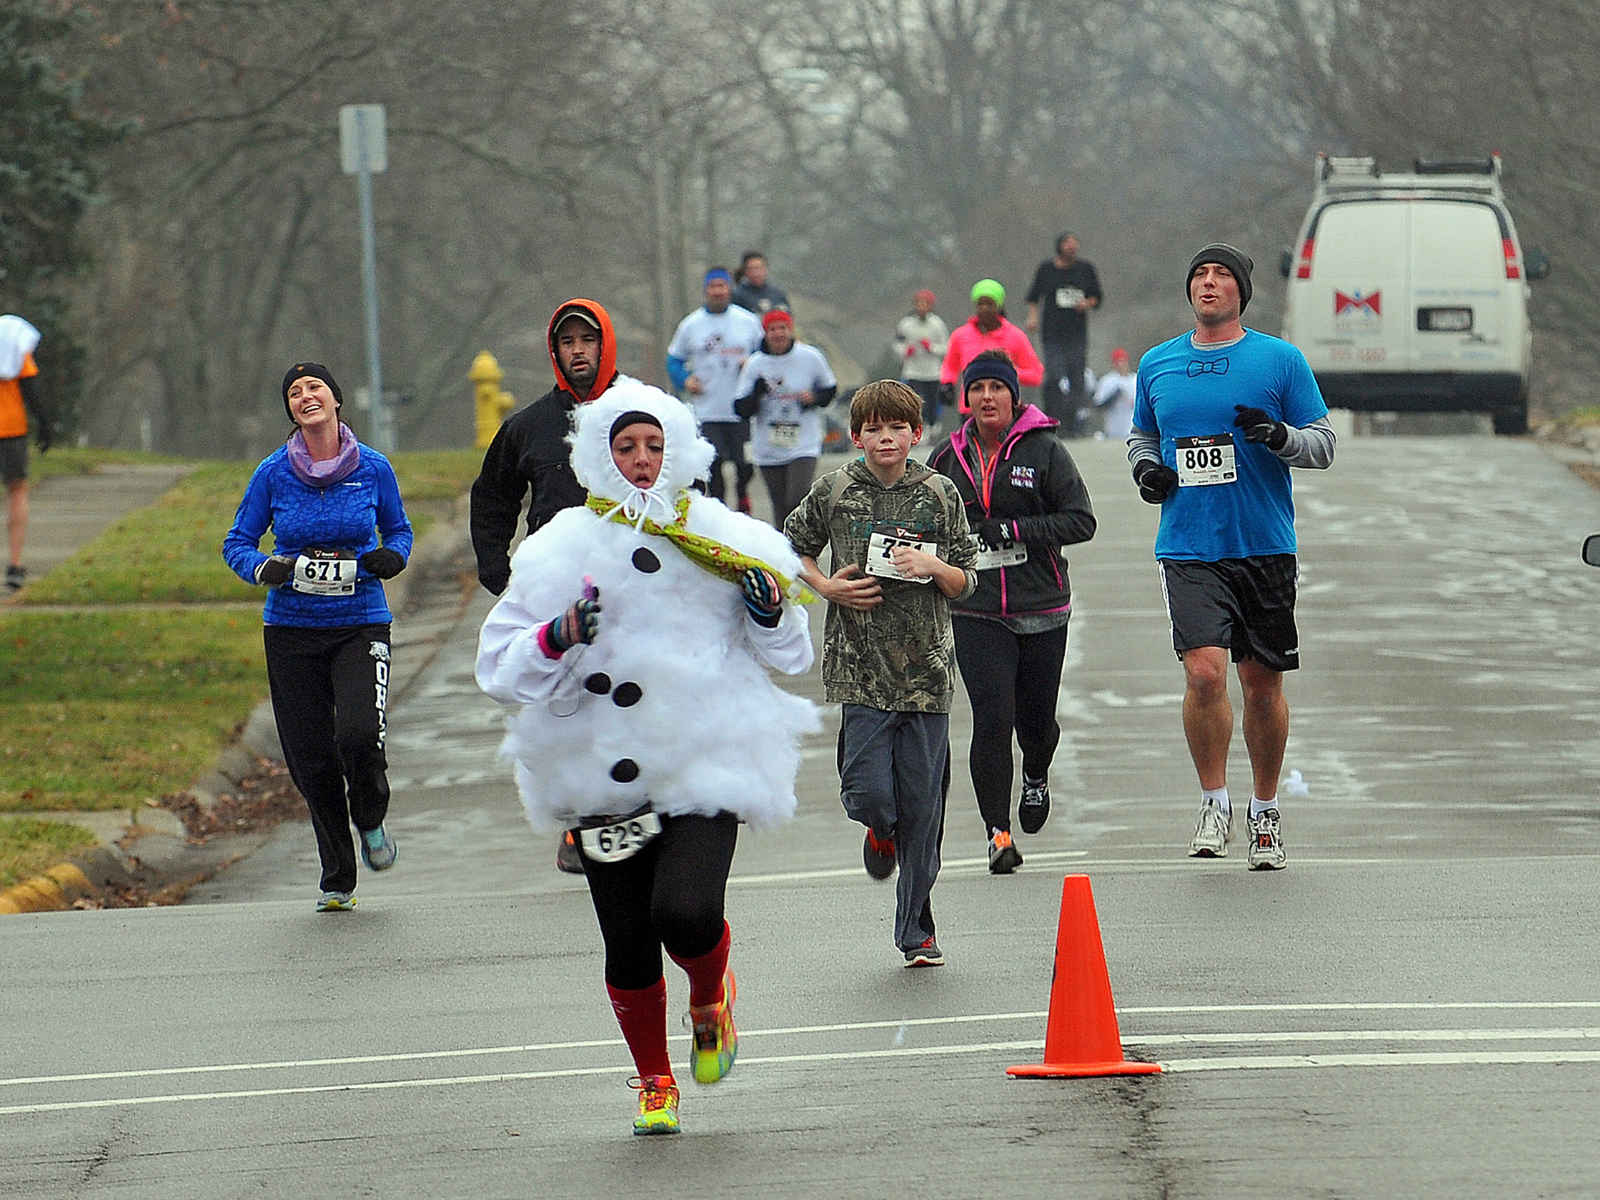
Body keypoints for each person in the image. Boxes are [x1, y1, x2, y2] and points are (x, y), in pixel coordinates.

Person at [475, 380, 816, 1137]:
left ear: (678, 452)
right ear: (599, 454)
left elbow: (791, 654)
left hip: (702, 760)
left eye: (653, 446)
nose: (639, 460)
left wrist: (765, 611)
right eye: (625, 447)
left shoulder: (725, 537)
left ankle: (709, 992)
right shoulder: (560, 546)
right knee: (627, 943)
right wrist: (557, 634)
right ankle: (655, 1081)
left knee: (685, 914)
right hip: (599, 769)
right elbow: (497, 668)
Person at [1128, 243, 1335, 871]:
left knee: (1261, 684)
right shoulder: (1158, 364)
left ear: (1242, 291)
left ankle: (1265, 812)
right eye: (1199, 275)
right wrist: (1147, 472)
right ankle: (1213, 802)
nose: (1209, 284)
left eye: (1221, 276)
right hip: (1189, 545)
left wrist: (1280, 438)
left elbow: (1323, 444)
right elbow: (1143, 434)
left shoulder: (1280, 360)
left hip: (1264, 543)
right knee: (1205, 674)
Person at [784, 380, 978, 968]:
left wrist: (932, 565)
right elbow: (790, 547)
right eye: (873, 428)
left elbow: (969, 577)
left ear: (916, 433)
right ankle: (877, 831)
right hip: (859, 671)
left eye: (896, 428)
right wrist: (824, 586)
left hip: (927, 673)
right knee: (868, 791)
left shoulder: (940, 493)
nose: (884, 438)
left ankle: (916, 929)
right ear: (856, 434)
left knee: (924, 808)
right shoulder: (835, 490)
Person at [223, 363, 413, 911]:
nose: (305, 396)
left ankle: (371, 820)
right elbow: (237, 542)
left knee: (358, 734)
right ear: (292, 411)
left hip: (360, 623)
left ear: (334, 400)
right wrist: (264, 569)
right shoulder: (272, 473)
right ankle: (338, 875)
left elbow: (398, 529)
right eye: (294, 392)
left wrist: (391, 556)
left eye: (315, 387)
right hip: (291, 630)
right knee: (311, 758)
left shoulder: (373, 468)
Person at [926, 350, 1096, 873]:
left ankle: (1038, 773)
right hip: (975, 608)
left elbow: (1081, 521)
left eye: (996, 388)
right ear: (966, 399)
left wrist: (1017, 529)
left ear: (1013, 396)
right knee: (992, 719)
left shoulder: (1044, 450)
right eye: (977, 389)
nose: (986, 398)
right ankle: (997, 834)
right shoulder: (947, 457)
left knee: (1035, 723)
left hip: (1040, 604)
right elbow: (923, 519)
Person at [470, 298, 623, 874]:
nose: (578, 351)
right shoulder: (528, 426)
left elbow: (692, 479)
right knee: (566, 705)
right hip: (557, 585)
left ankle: (642, 805)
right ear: (555, 353)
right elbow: (492, 496)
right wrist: (496, 563)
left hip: (632, 579)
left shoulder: (642, 411)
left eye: (587, 340)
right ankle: (577, 819)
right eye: (567, 343)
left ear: (604, 345)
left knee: (630, 694)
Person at [665, 269, 765, 513]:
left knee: (744, 464)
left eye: (723, 286)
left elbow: (765, 355)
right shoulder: (691, 324)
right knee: (714, 463)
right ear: (706, 290)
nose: (718, 291)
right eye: (713, 286)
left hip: (740, 407)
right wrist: (685, 380)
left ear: (730, 289)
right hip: (707, 408)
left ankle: (742, 493)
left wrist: (751, 364)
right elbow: (673, 359)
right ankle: (719, 508)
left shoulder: (747, 321)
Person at [733, 309, 838, 527]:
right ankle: (787, 556)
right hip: (768, 446)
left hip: (804, 441)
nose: (778, 334)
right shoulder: (755, 364)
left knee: (796, 500)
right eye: (772, 329)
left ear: (791, 330)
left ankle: (805, 550)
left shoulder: (810, 357)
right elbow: (740, 409)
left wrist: (814, 397)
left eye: (782, 328)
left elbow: (829, 391)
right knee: (780, 508)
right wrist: (756, 394)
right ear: (765, 333)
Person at [1026, 232, 1104, 436]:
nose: (1072, 247)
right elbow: (1034, 296)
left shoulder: (1085, 269)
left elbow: (1097, 297)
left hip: (1077, 333)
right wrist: (1032, 317)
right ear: (1059, 246)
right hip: (1052, 333)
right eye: (1068, 243)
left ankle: (1074, 422)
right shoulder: (1046, 269)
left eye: (1075, 243)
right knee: (1055, 375)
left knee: (1076, 377)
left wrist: (1086, 303)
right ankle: (1053, 417)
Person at [0, 315, 55, 592]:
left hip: (11, 431)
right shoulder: (11, 341)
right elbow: (31, 389)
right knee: (17, 491)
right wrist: (45, 425)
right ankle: (15, 564)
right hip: (10, 430)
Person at [939, 280, 1043, 417]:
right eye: (980, 304)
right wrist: (947, 384)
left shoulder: (1015, 336)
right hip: (970, 411)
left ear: (999, 306)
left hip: (1005, 411)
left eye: (990, 304)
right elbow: (950, 366)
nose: (984, 309)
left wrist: (1005, 373)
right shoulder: (960, 336)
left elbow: (1036, 375)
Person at [894, 289, 950, 431]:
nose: (922, 307)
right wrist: (905, 351)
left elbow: (945, 347)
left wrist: (931, 347)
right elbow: (897, 344)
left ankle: (932, 427)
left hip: (932, 372)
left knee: (931, 402)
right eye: (919, 303)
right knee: (913, 401)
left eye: (925, 303)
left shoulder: (937, 324)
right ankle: (916, 427)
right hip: (912, 371)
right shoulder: (906, 324)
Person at [1094, 347, 1138, 441]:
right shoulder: (1107, 381)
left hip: (1132, 429)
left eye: (1123, 361)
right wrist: (1114, 395)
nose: (1121, 365)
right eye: (1117, 362)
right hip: (1113, 430)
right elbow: (1098, 405)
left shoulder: (1135, 380)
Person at [730, 250, 789, 315]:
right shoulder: (737, 295)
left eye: (759, 268)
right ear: (745, 271)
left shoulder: (778, 294)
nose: (756, 273)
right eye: (751, 269)